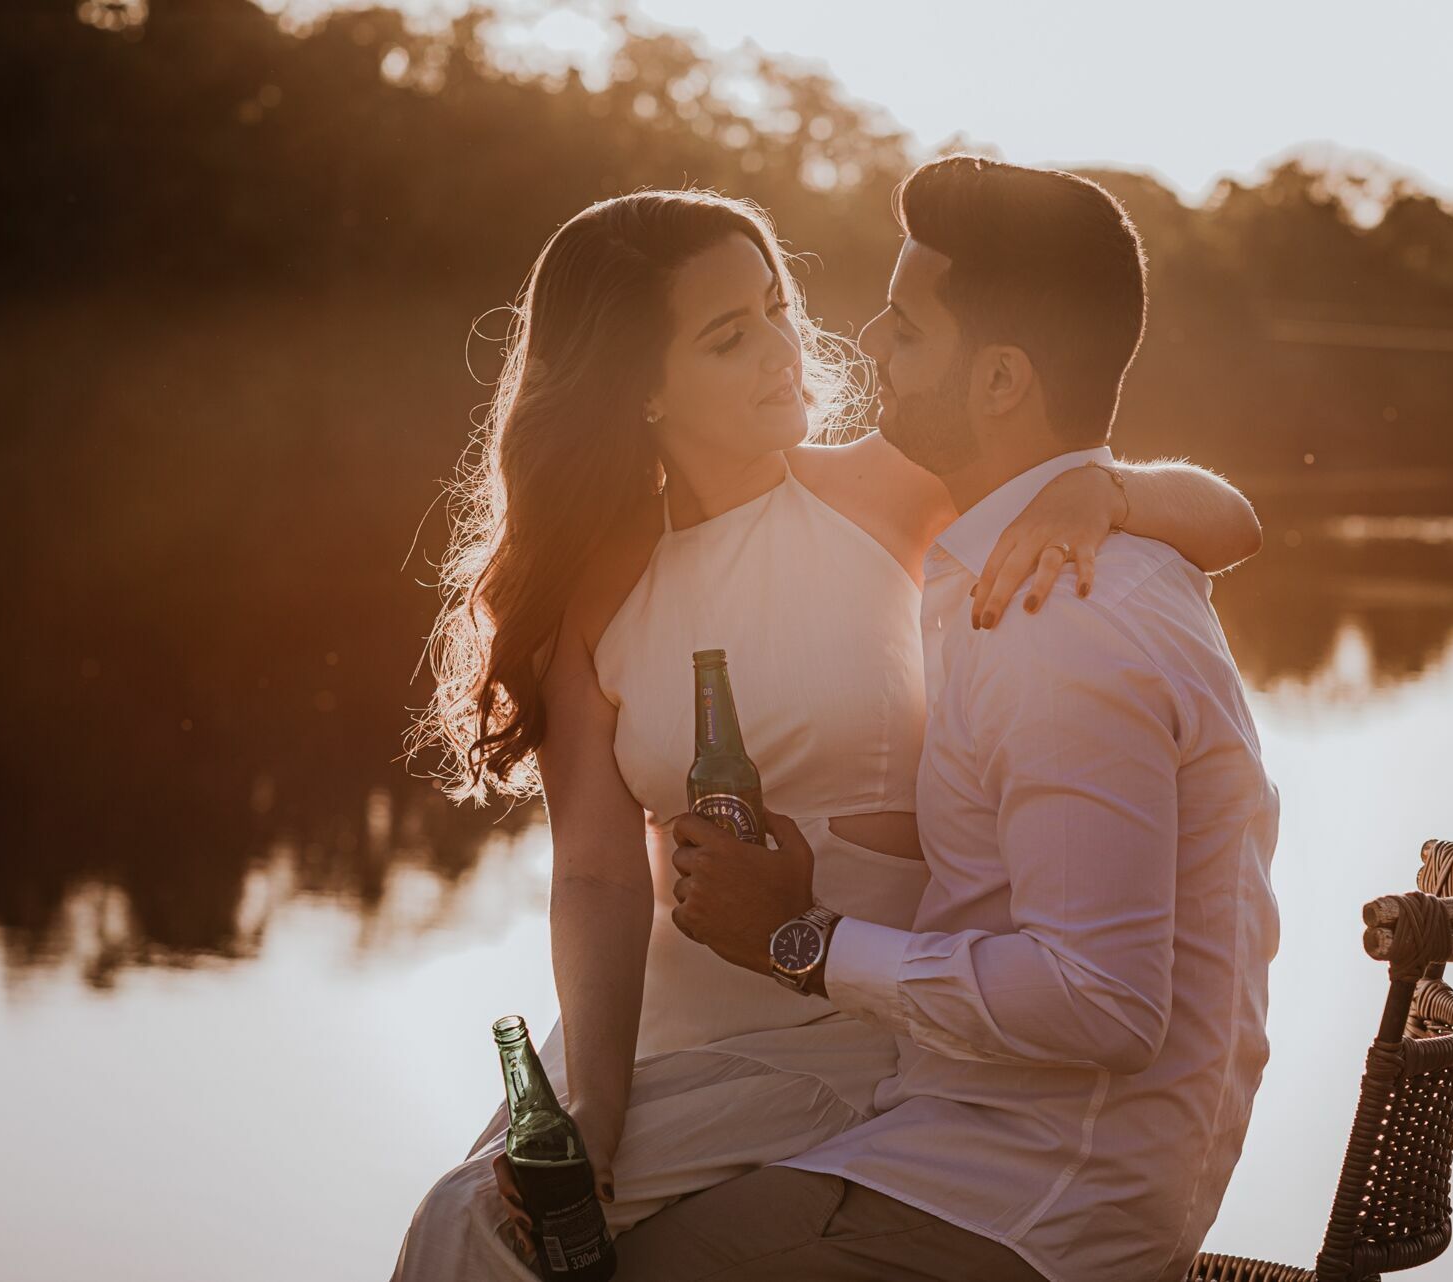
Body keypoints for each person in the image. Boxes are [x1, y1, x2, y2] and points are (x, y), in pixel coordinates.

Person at [392, 180, 1262, 1279]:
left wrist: (1107, 496)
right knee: (485, 1222)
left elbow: (1233, 523)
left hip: (861, 1026)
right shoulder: (593, 588)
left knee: (467, 1239)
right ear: (641, 389)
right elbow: (602, 877)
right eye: (728, 337)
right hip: (661, 1037)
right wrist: (599, 1109)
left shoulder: (885, 491)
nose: (784, 350)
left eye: (775, 307)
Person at [642, 156, 1283, 1281]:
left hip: (1023, 1203)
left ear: (997, 382)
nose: (870, 347)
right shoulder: (1060, 552)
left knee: (595, 1254)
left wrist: (801, 941)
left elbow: (1102, 1004)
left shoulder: (1056, 619)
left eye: (904, 326)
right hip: (967, 1137)